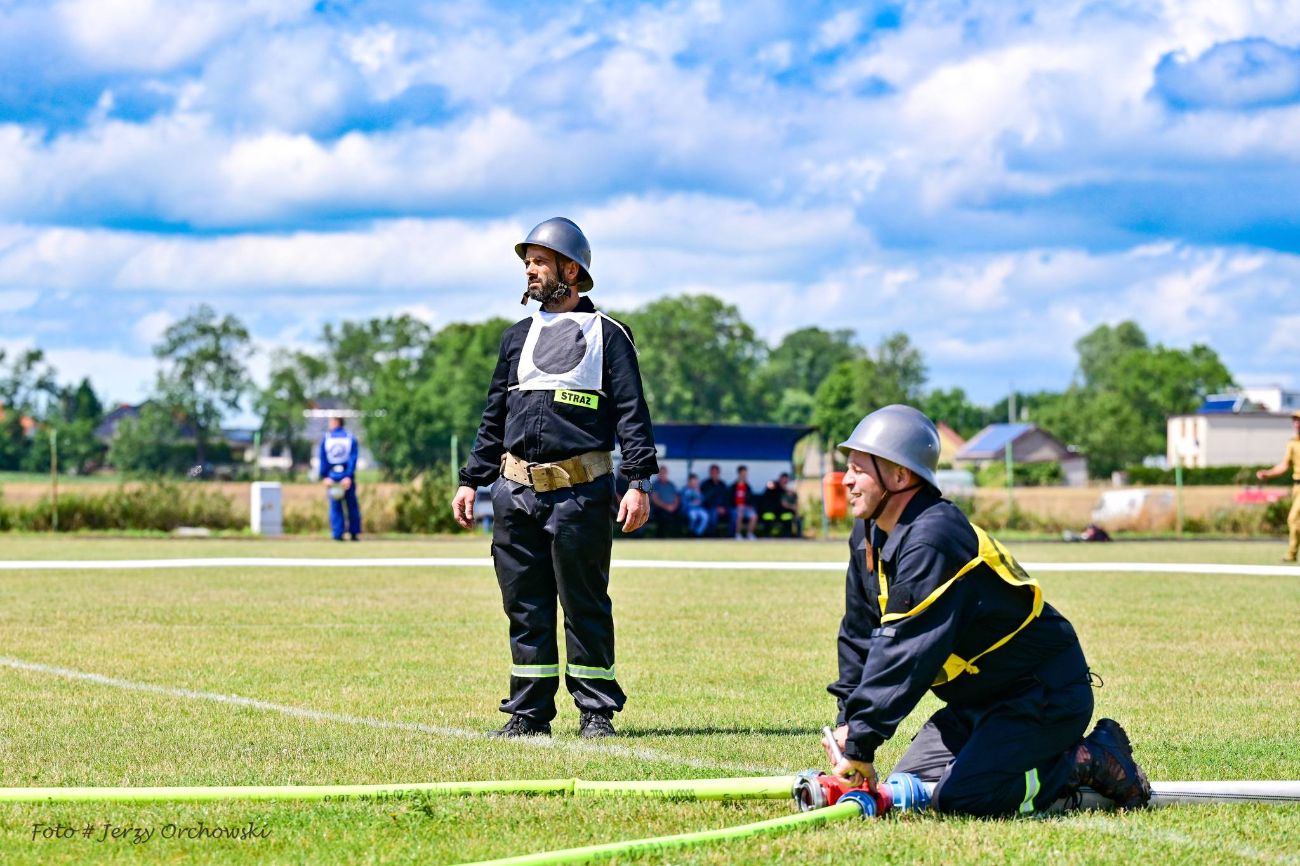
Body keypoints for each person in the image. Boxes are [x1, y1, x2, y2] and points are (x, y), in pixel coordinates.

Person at [825, 404, 1150, 816]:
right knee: (909, 792)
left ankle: (1089, 759)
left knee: (962, 799)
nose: (846, 480)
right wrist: (847, 723)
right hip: (974, 704)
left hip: (1040, 694)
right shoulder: (870, 531)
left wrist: (860, 743)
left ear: (899, 475)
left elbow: (906, 650)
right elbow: (859, 632)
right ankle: (1004, 755)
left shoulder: (933, 539)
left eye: (858, 468)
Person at [451, 217, 656, 740]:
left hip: (580, 493)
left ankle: (595, 712)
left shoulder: (609, 335)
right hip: (514, 492)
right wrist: (471, 480)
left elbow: (633, 413)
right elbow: (493, 415)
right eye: (527, 262)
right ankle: (529, 713)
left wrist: (638, 482)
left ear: (571, 268)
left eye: (540, 261)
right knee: (524, 604)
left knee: (584, 602)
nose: (530, 270)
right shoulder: (517, 337)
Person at [1256, 410, 1300, 562]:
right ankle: (1292, 553)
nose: (1297, 423)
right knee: (1295, 520)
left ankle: (1291, 554)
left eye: (1299, 420)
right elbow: (1284, 466)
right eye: (1295, 420)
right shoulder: (1292, 443)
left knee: (1293, 519)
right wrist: (1268, 474)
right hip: (1297, 487)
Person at [319, 415, 360, 541]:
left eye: (331, 422)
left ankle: (338, 534)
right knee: (351, 507)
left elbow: (323, 459)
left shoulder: (326, 439)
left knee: (336, 507)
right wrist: (348, 476)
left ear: (337, 422)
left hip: (333, 477)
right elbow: (353, 460)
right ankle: (353, 533)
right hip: (345, 478)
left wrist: (325, 476)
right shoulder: (350, 438)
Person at [649, 465, 684, 537]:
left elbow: (677, 497)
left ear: (667, 473)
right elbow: (654, 499)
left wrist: (674, 506)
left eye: (664, 473)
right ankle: (662, 538)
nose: (663, 474)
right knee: (664, 517)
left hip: (672, 508)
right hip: (660, 509)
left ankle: (677, 538)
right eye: (661, 473)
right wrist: (666, 507)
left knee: (680, 516)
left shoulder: (671, 484)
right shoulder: (655, 485)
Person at [700, 464, 730, 535]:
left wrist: (724, 508)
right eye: (712, 472)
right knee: (713, 514)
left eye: (716, 472)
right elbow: (705, 499)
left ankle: (731, 535)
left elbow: (727, 498)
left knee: (734, 513)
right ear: (710, 473)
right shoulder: (705, 484)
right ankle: (712, 535)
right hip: (710, 508)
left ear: (719, 473)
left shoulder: (723, 484)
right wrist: (716, 508)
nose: (714, 474)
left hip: (723, 508)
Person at [729, 465, 758, 540]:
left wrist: (750, 506)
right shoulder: (733, 486)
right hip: (735, 508)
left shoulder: (748, 487)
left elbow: (751, 499)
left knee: (754, 515)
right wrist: (737, 507)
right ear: (739, 474)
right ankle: (737, 534)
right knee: (739, 514)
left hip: (746, 508)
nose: (744, 475)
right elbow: (729, 499)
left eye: (745, 474)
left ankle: (750, 534)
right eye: (742, 474)